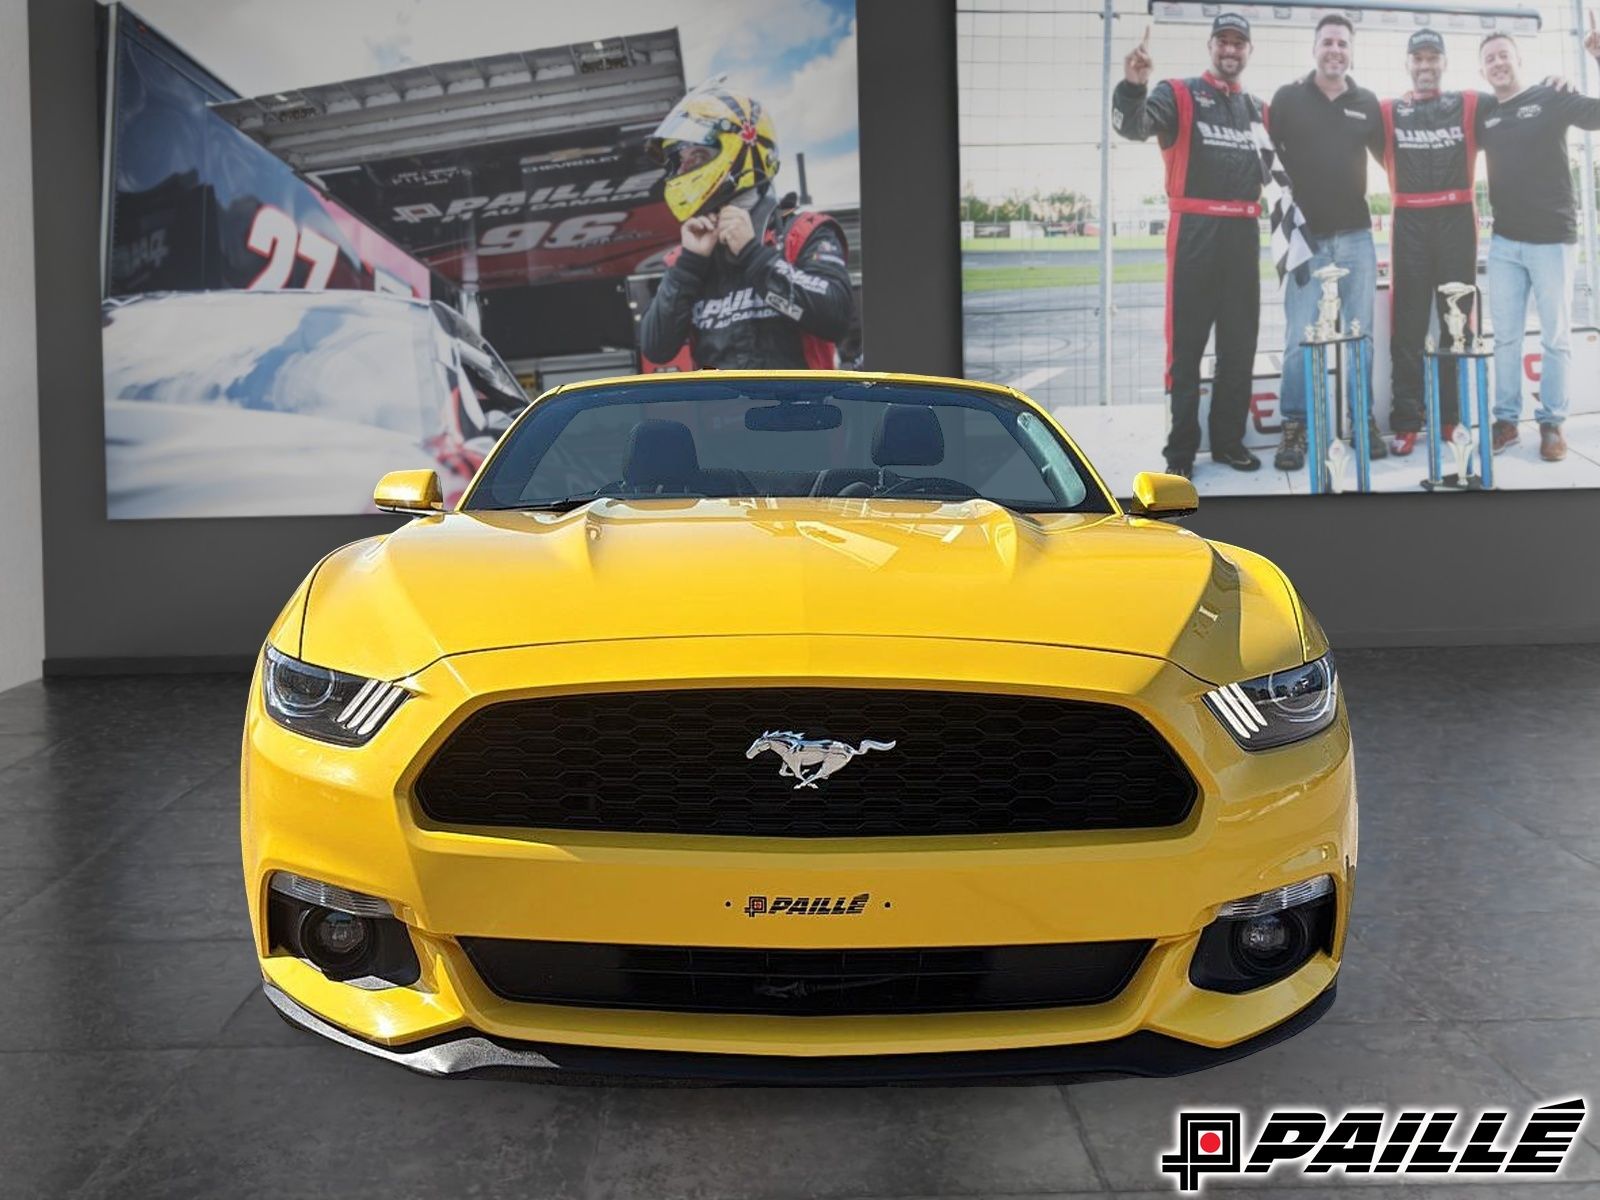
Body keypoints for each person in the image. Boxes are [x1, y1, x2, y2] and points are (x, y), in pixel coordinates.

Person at [1112, 13, 1265, 480]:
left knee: (1240, 347)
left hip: (1244, 235)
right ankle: (1180, 452)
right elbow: (1133, 127)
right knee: (1187, 350)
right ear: (1211, 46)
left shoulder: (1260, 108)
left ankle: (1228, 442)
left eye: (1239, 43)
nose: (1231, 50)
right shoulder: (1177, 92)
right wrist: (1133, 86)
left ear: (1249, 51)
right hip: (1194, 231)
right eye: (1224, 41)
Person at [639, 77, 854, 371]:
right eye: (680, 161)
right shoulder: (687, 257)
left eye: (697, 156)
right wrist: (689, 266)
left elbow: (837, 318)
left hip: (804, 414)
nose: (685, 169)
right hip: (721, 415)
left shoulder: (801, 233)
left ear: (739, 153)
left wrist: (755, 256)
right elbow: (656, 348)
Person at [1269, 14, 1388, 472]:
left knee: (1360, 336)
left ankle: (1362, 421)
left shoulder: (1368, 103)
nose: (1335, 50)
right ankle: (1295, 425)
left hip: (1357, 235)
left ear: (1351, 51)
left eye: (1342, 43)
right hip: (1305, 237)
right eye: (1327, 42)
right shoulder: (1288, 98)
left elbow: (1393, 160)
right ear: (1314, 48)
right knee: (1300, 338)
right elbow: (1264, 157)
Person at [1477, 24, 1600, 462]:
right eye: (1489, 57)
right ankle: (1506, 422)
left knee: (1556, 339)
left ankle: (1552, 424)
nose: (1497, 62)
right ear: (1482, 68)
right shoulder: (1484, 112)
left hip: (1552, 241)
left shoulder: (1551, 96)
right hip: (1505, 243)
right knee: (1505, 339)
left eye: (1503, 55)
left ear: (1518, 59)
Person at [1379, 30, 1482, 456]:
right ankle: (1406, 421)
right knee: (1408, 325)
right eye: (1417, 58)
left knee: (1456, 327)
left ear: (1443, 62)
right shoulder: (1387, 110)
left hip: (1458, 221)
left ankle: (1451, 418)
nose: (1425, 65)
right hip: (1410, 223)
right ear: (1407, 63)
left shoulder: (1470, 103)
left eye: (1432, 58)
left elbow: (1518, 112)